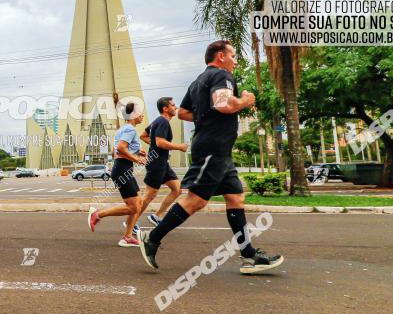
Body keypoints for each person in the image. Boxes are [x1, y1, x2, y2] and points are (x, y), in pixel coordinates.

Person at [138, 40, 284, 273]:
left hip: (220, 151)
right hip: (211, 149)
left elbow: (184, 113)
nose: (235, 60)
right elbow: (224, 104)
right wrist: (245, 100)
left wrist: (205, 114)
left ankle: (249, 256)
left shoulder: (199, 81)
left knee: (236, 198)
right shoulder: (220, 76)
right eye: (233, 55)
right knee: (195, 201)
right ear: (220, 56)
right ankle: (152, 239)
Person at [88, 102, 147, 247]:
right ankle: (97, 214)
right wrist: (137, 159)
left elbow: (118, 150)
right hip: (122, 169)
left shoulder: (123, 129)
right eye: (140, 112)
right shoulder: (130, 130)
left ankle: (127, 237)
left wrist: (137, 152)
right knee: (134, 207)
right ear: (133, 115)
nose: (142, 115)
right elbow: (120, 149)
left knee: (138, 204)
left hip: (124, 169)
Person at [137, 97, 188, 226]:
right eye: (173, 105)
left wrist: (153, 143)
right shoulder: (163, 121)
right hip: (156, 163)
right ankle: (131, 222)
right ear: (165, 108)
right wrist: (179, 147)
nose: (175, 107)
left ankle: (157, 216)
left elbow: (143, 135)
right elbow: (159, 142)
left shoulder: (157, 121)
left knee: (177, 189)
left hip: (163, 163)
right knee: (150, 195)